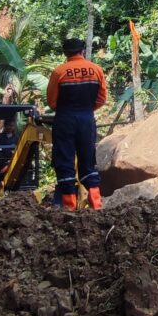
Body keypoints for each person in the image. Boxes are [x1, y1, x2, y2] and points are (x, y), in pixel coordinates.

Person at [46, 37, 108, 210]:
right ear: (82, 51)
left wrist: (69, 110)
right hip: (87, 119)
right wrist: (86, 110)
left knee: (65, 162)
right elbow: (102, 98)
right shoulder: (96, 70)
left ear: (65, 53)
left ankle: (70, 208)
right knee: (88, 162)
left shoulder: (59, 72)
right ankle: (96, 204)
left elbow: (52, 102)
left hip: (65, 119)